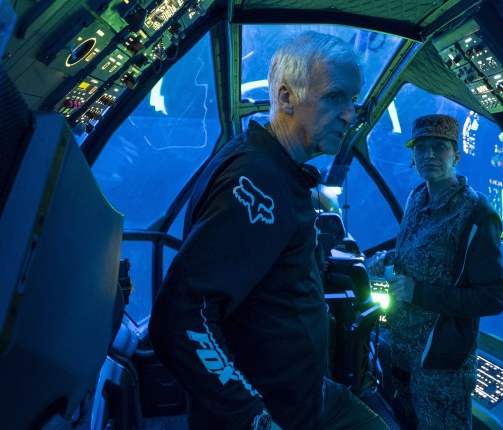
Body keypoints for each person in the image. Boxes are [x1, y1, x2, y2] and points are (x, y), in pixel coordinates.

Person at [149, 31, 389, 430]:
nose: (350, 115)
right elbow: (182, 315)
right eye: (335, 97)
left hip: (307, 396)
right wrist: (253, 418)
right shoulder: (258, 182)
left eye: (353, 100)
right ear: (285, 97)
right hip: (274, 412)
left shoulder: (277, 170)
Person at [368, 114, 503, 429]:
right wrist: (387, 258)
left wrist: (418, 293)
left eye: (440, 147)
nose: (429, 155)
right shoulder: (417, 197)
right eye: (421, 147)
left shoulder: (477, 214)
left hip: (441, 363)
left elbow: (492, 298)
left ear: (456, 155)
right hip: (403, 350)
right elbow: (415, 254)